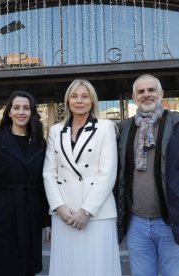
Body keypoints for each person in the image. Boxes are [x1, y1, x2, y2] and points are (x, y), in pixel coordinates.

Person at [116, 74, 179, 276]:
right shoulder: (124, 129)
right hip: (136, 223)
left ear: (161, 94)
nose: (146, 95)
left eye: (151, 90)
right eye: (141, 91)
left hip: (171, 221)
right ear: (134, 97)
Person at [43, 79, 122, 276]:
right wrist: (59, 208)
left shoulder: (105, 127)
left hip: (97, 213)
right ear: (68, 100)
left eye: (84, 96)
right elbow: (49, 173)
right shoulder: (55, 130)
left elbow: (108, 173)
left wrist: (86, 211)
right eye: (74, 96)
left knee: (98, 267)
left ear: (92, 101)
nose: (79, 101)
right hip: (65, 215)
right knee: (67, 267)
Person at [0, 91, 51, 276]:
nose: (21, 112)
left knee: (26, 268)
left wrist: (47, 222)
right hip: (0, 215)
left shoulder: (40, 143)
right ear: (9, 112)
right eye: (16, 107)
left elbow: (43, 185)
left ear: (32, 112)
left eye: (26, 108)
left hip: (30, 213)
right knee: (0, 268)